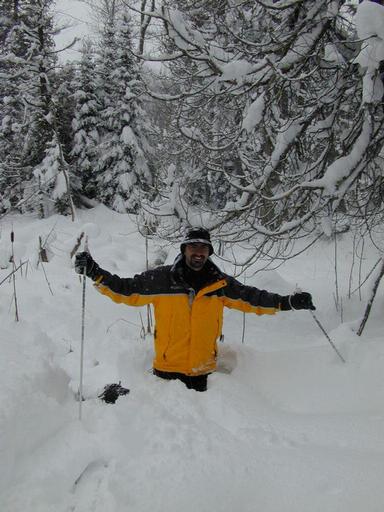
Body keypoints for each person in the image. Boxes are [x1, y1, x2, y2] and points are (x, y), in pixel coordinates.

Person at [75, 227, 315, 392]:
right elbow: (125, 290)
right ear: (184, 249)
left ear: (209, 252)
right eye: (193, 247)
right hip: (166, 373)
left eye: (204, 248)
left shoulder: (219, 284)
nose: (198, 252)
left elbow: (252, 298)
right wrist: (96, 273)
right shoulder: (161, 280)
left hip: (204, 373)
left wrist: (287, 303)